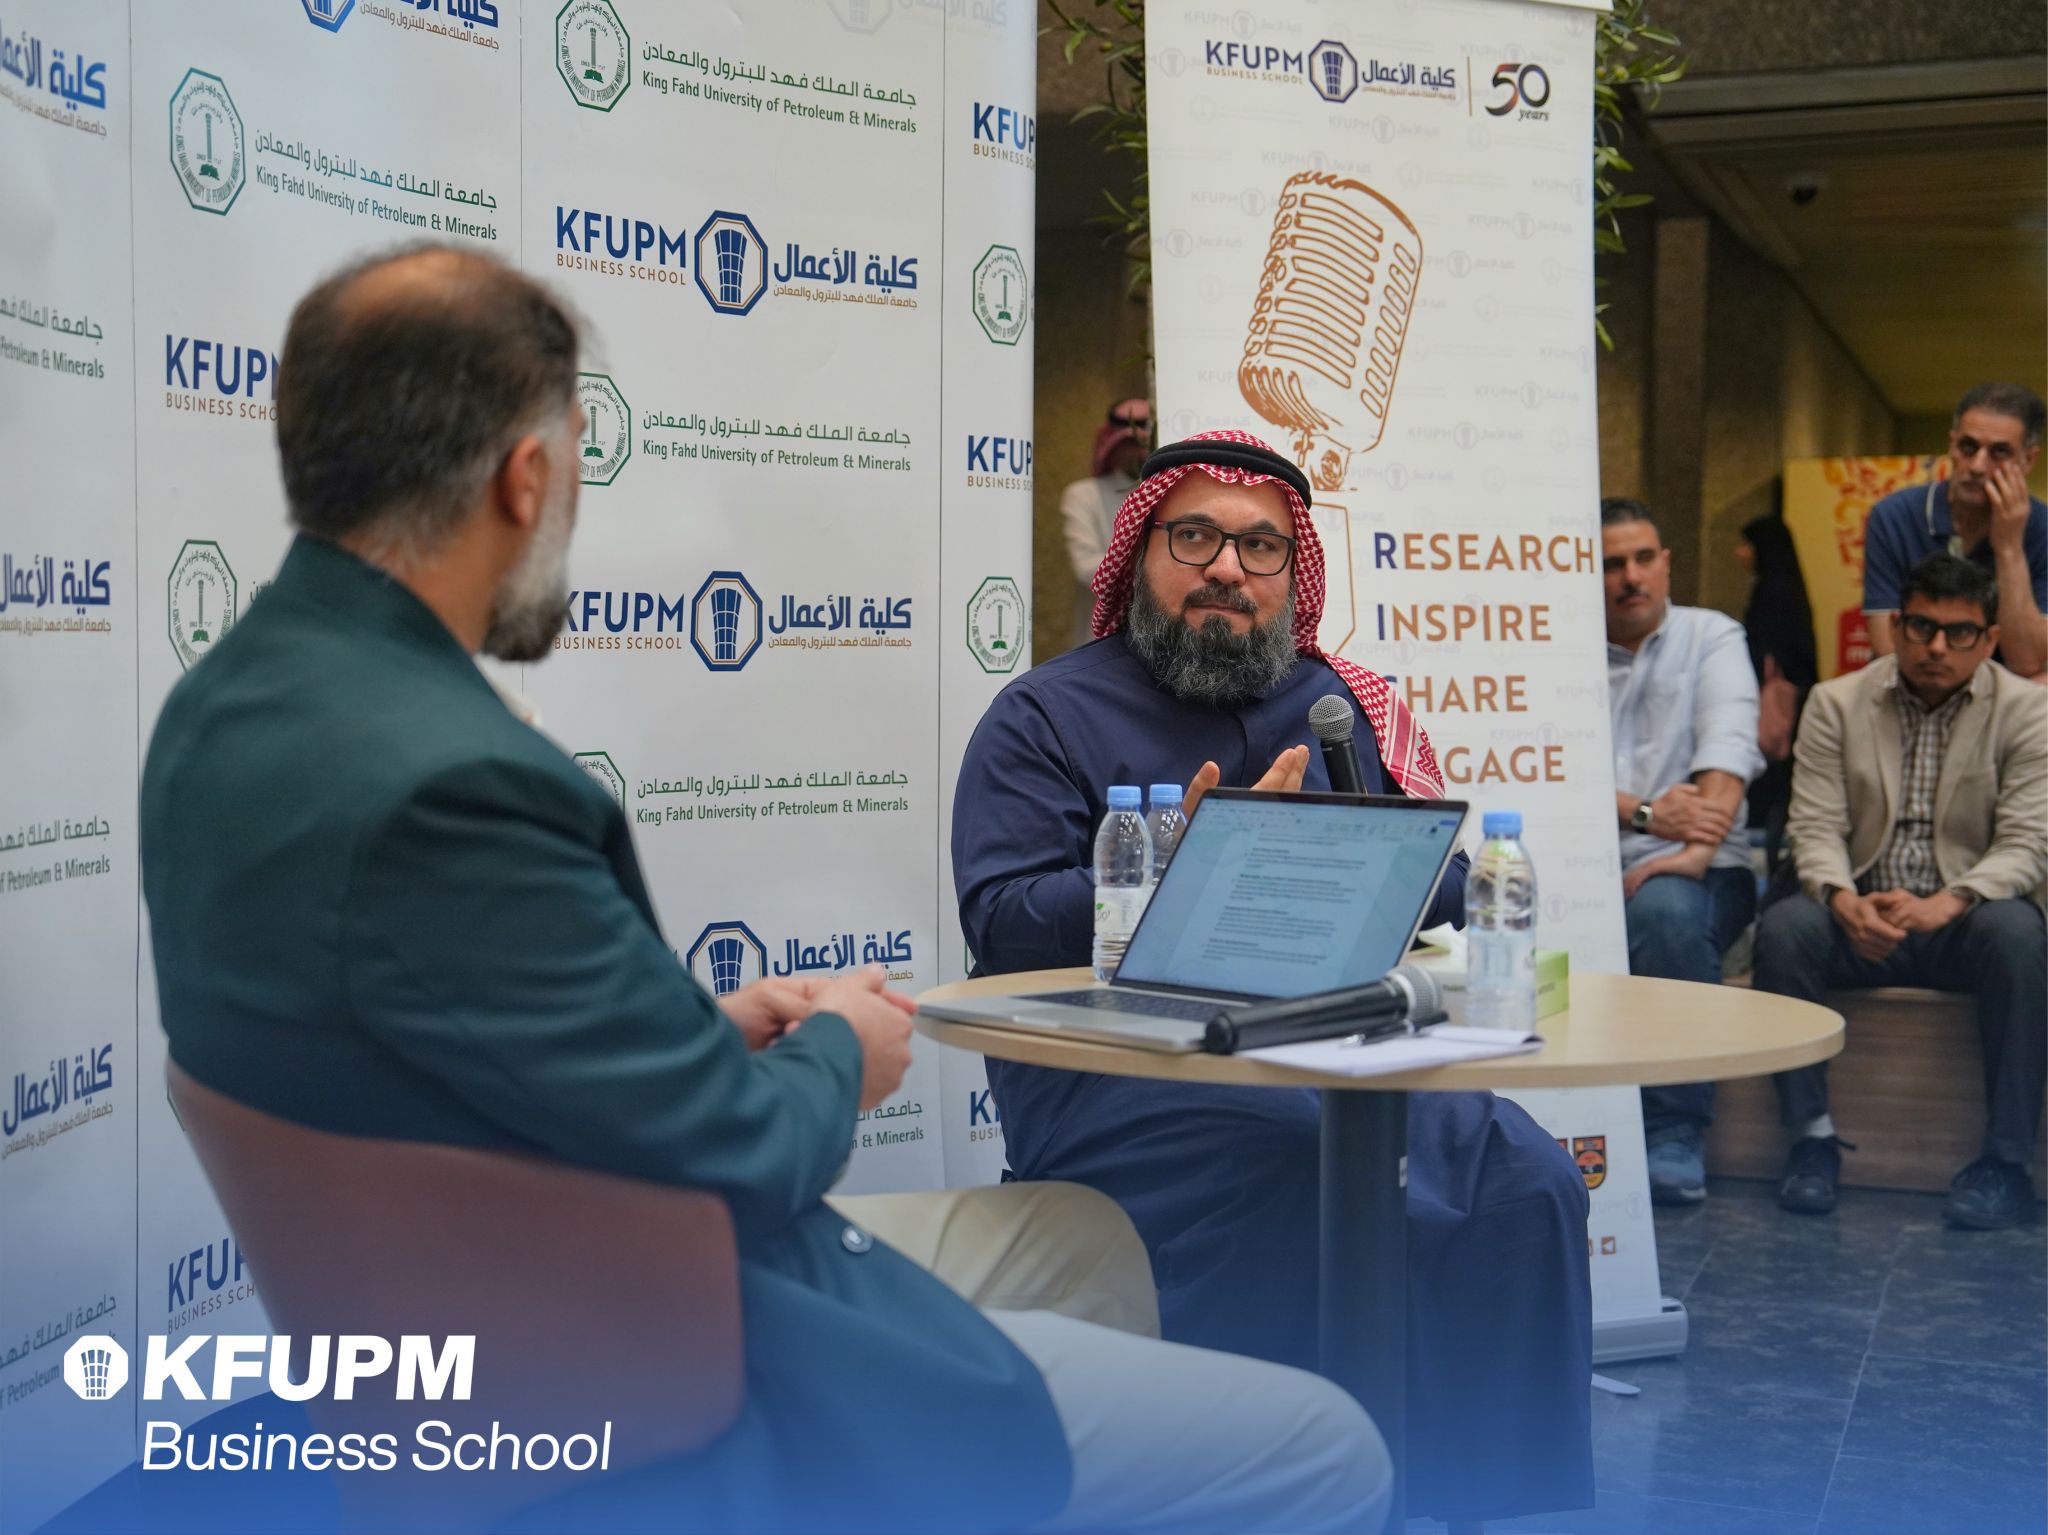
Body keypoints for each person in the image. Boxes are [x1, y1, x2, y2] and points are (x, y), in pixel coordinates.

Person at [138, 248, 1392, 1535]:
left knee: (1081, 1241)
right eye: (576, 462)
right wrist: (840, 1049)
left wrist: (701, 1030)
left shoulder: (226, 706)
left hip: (498, 1300)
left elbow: (449, 1042)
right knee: (1327, 1446)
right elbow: (737, 1155)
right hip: (670, 1348)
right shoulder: (461, 779)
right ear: (525, 478)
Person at [953, 428, 1594, 1525]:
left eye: (1259, 546)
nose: (1226, 569)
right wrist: (1174, 866)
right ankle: (1279, 1496)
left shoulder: (1334, 705)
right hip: (1125, 1069)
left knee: (1525, 1177)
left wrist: (1339, 856)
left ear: (1291, 571)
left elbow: (1435, 882)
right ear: (1139, 550)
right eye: (1194, 537)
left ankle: (1475, 1502)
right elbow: (1002, 917)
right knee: (1300, 1167)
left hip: (1339, 1046)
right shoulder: (1045, 713)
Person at [1759, 554, 2046, 1226]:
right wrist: (1840, 899)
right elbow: (1814, 826)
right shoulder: (1836, 701)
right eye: (1921, 627)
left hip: (1962, 918)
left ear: (1990, 639)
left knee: (2019, 933)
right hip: (1862, 914)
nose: (1936, 647)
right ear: (1895, 627)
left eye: (1959, 632)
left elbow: (2028, 842)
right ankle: (1811, 1141)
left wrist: (1951, 901)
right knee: (1785, 928)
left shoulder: (2029, 710)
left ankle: (2006, 1163)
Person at [1601, 498, 1765, 1204]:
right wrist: (1640, 812)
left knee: (1666, 907)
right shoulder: (1556, 651)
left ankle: (1675, 1128)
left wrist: (1694, 849)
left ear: (1667, 563)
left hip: (1707, 869)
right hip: (1588, 862)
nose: (1631, 577)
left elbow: (1729, 745)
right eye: (1611, 564)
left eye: (1644, 559)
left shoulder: (1712, 636)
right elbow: (1547, 777)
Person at [1863, 382, 2047, 680]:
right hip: (1916, 682)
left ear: (2028, 460)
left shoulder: (2042, 527)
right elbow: (1887, 646)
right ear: (1951, 444)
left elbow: (2026, 662)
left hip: (2006, 691)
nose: (1977, 466)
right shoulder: (1894, 515)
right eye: (1968, 447)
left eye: (1999, 452)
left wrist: (2009, 547)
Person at [1739, 510, 1819, 863]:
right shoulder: (1787, 584)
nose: (1739, 553)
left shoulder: (1773, 590)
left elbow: (1767, 649)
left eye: (1746, 545)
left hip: (1774, 705)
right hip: (1793, 703)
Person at [1059, 398, 1150, 645]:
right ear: (1112, 445)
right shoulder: (1083, 495)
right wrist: (1156, 568)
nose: (1142, 452)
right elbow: (1086, 568)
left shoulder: (1172, 496)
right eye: (1131, 444)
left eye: (1147, 442)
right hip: (1101, 640)